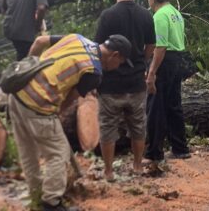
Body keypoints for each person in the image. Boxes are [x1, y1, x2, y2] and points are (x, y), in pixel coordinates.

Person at [9, 33, 131, 211]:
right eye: (120, 63)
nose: (117, 67)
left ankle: (35, 193)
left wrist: (27, 68)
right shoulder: (94, 72)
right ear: (115, 55)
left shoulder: (77, 38)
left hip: (17, 93)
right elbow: (68, 101)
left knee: (27, 150)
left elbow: (39, 41)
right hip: (38, 104)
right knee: (58, 154)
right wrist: (55, 113)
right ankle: (51, 202)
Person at [94, 0, 155, 180]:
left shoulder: (107, 16)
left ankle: (109, 171)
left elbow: (98, 49)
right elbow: (151, 45)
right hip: (136, 82)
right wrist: (143, 62)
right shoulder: (146, 15)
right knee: (138, 126)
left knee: (108, 128)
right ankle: (137, 166)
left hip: (110, 84)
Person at [143, 0, 190, 165]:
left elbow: (160, 47)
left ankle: (154, 152)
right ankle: (180, 148)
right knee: (174, 105)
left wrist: (152, 71)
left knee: (155, 107)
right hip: (177, 60)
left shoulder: (160, 16)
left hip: (165, 60)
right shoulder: (175, 14)